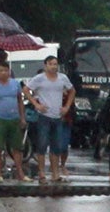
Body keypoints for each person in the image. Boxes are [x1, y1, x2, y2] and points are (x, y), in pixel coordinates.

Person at [24, 53, 77, 186]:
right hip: (44, 116)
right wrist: (36, 104)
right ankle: (41, 172)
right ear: (45, 65)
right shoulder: (39, 78)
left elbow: (72, 91)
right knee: (42, 145)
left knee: (57, 146)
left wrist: (67, 106)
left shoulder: (62, 78)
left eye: (55, 64)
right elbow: (26, 89)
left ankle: (55, 173)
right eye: (51, 64)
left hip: (58, 116)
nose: (54, 67)